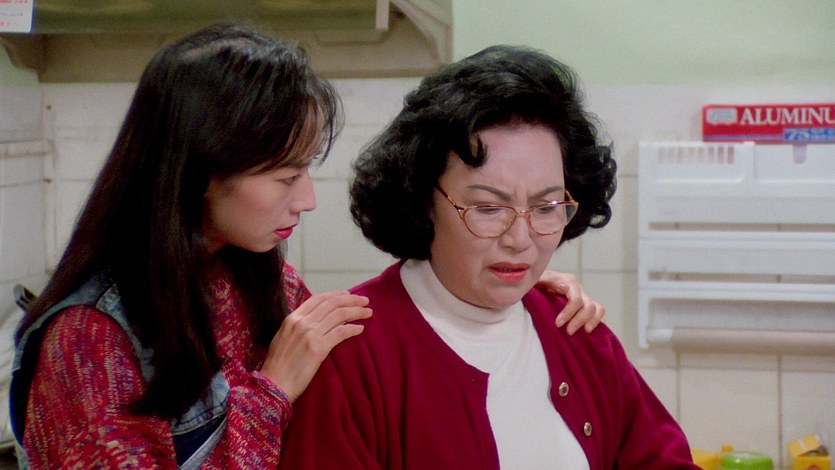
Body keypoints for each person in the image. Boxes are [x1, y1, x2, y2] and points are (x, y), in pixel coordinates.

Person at [8, 25, 604, 468]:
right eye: (285, 176)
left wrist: (506, 284)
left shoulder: (262, 280)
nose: (307, 199)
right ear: (201, 171)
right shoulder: (87, 340)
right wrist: (272, 389)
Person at [279, 45, 698, 469]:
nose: (520, 239)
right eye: (488, 208)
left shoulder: (577, 331)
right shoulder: (352, 356)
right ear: (423, 200)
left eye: (546, 207)